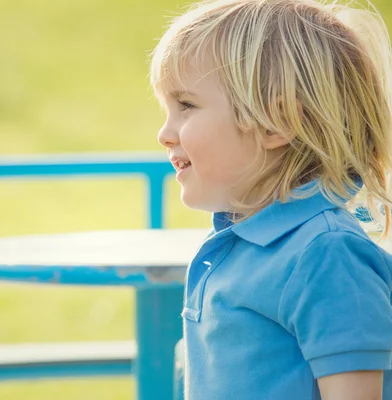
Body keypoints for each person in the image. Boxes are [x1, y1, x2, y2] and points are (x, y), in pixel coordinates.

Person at [150, 0, 392, 399]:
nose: (165, 133)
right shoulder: (240, 243)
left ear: (276, 123)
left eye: (187, 106)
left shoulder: (327, 254)